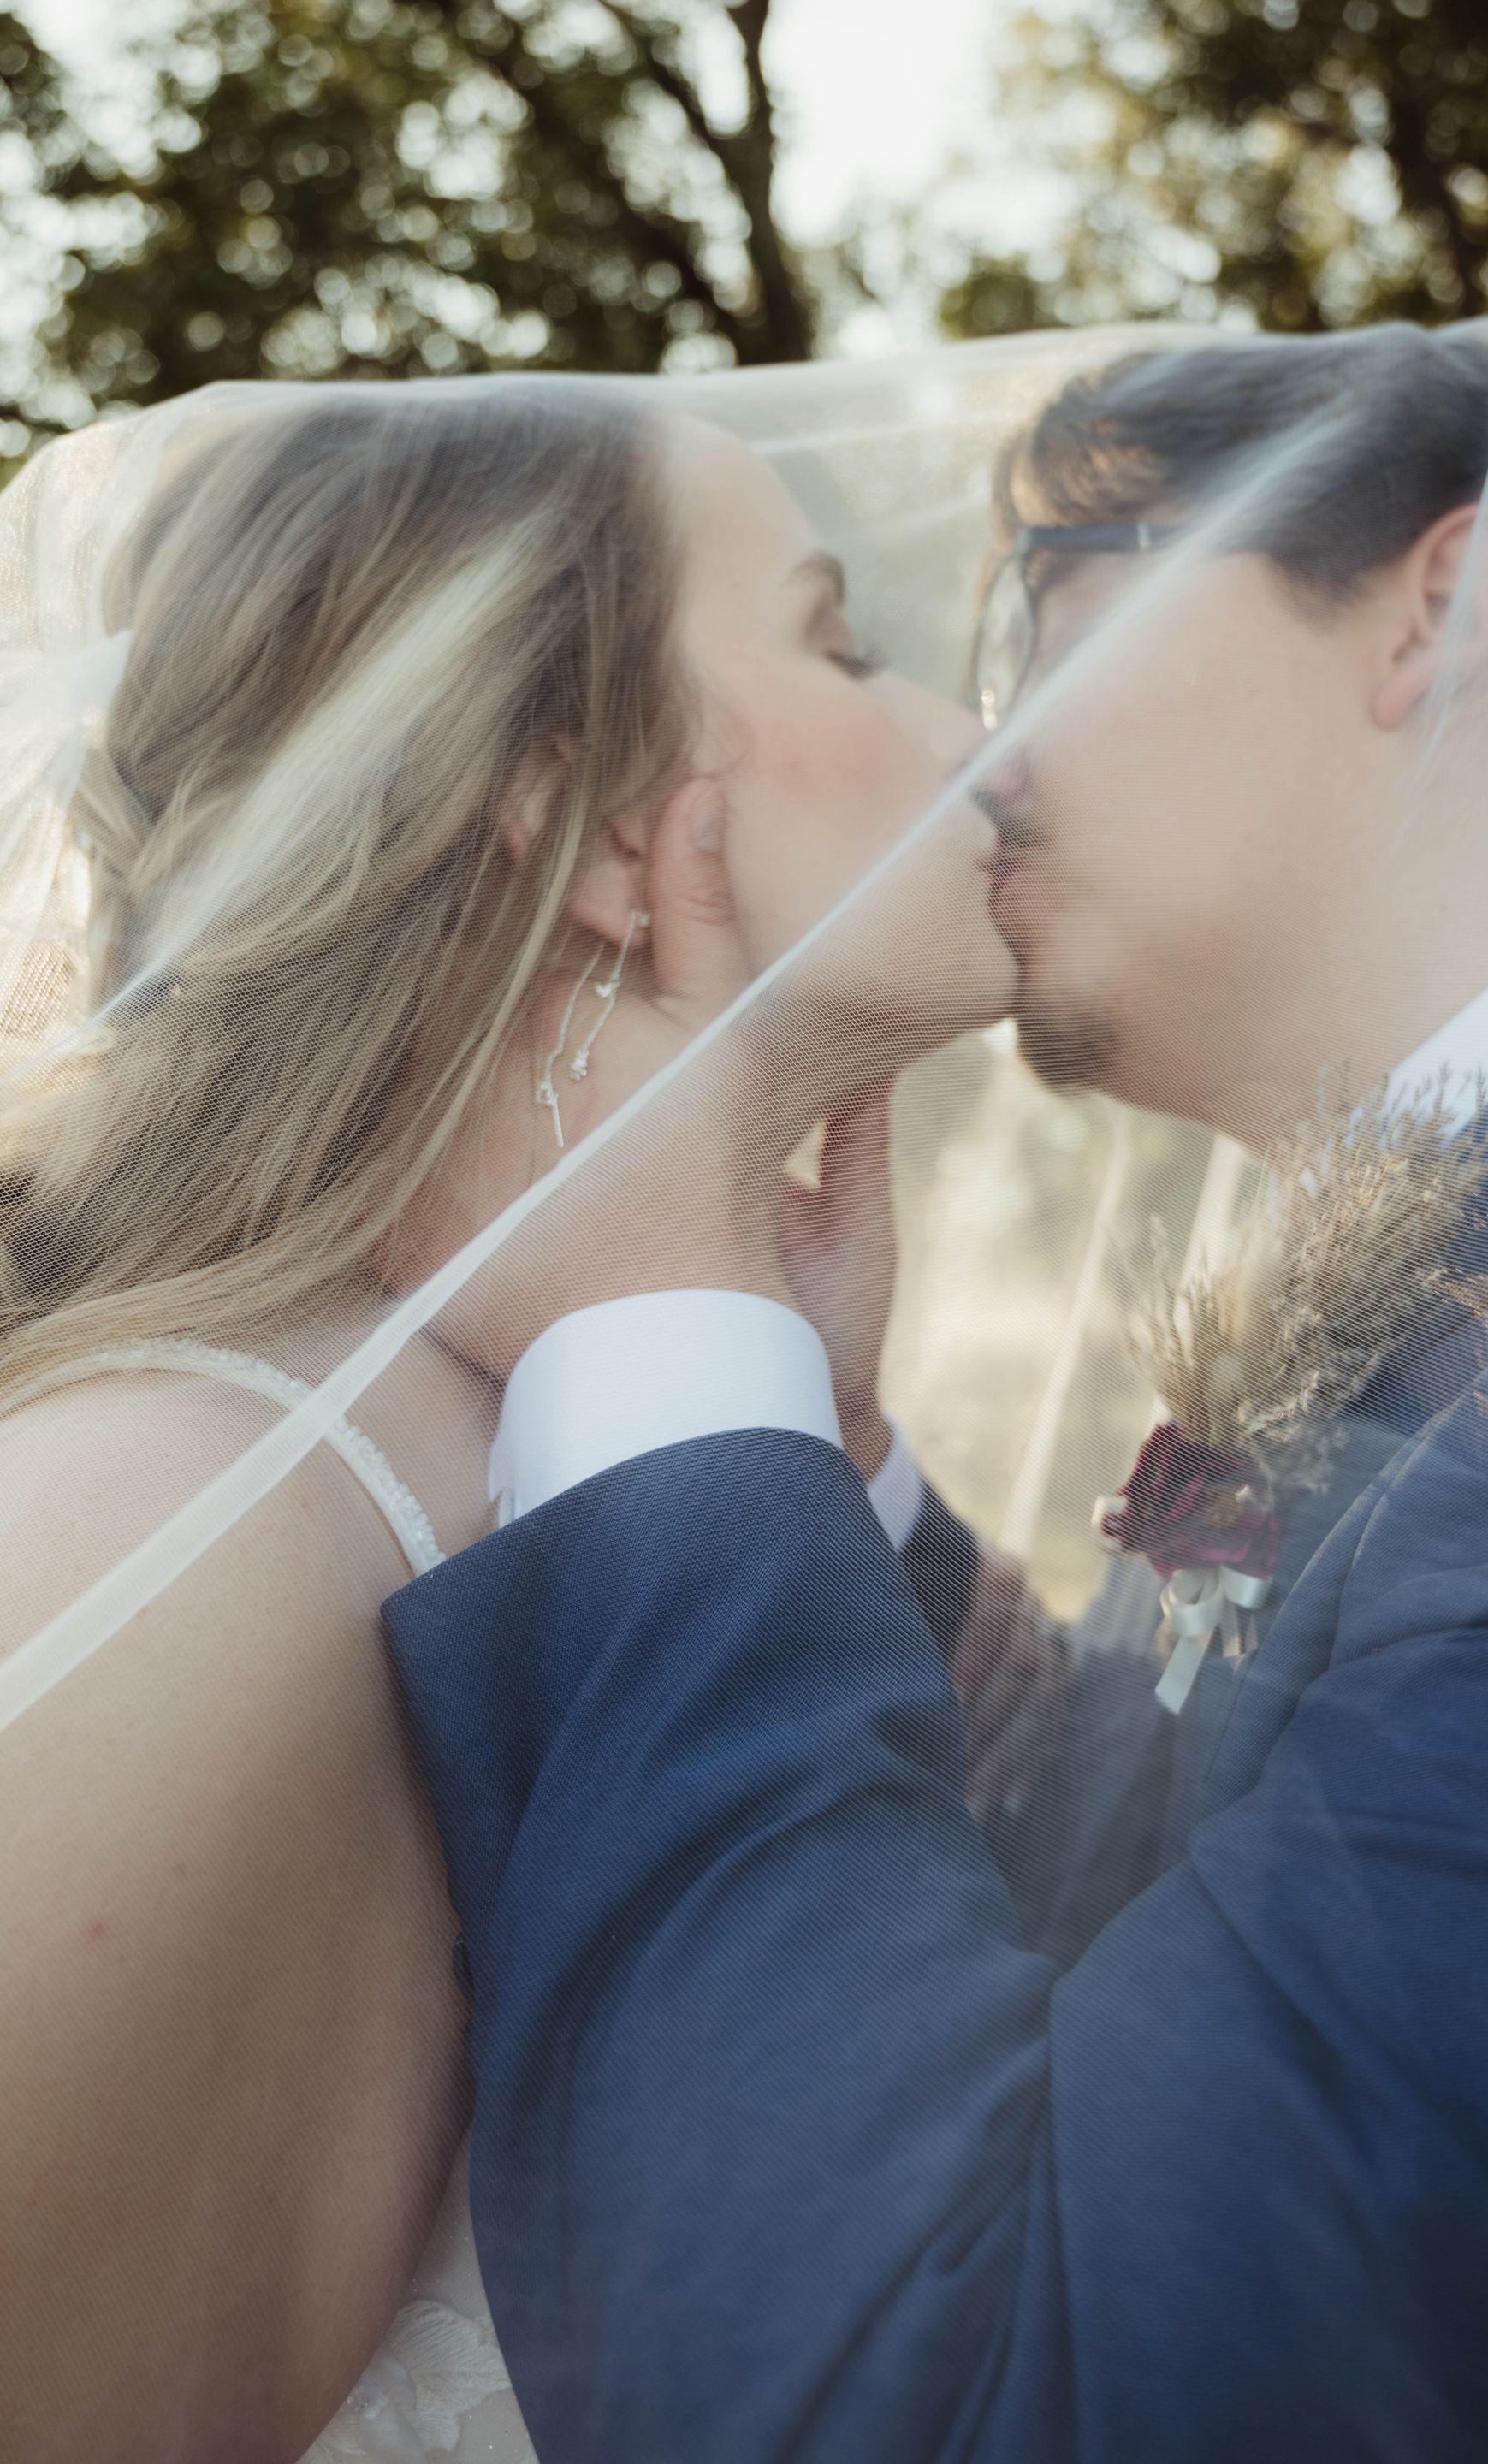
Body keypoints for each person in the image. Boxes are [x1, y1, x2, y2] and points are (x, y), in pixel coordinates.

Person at [383, 322, 1488, 2460]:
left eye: (1055, 605)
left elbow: (972, 2405)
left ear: (1439, 605)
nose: (983, 743)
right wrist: (840, 1489)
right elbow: (1199, 1854)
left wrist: (667, 1370)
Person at [0, 377, 1029, 2462]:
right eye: (839, 639)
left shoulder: (624, 1447)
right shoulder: (190, 1511)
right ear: (570, 808)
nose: (974, 732)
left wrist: (795, 1430)